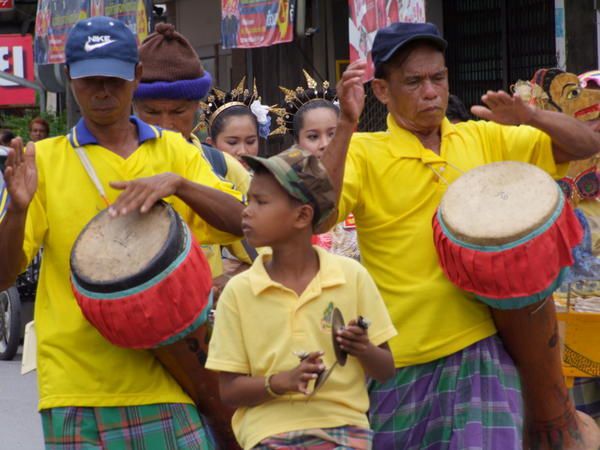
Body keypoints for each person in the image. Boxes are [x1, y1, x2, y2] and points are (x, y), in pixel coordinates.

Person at [322, 22, 600, 449]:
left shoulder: (483, 136)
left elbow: (584, 145)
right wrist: (345, 122)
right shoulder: (363, 151)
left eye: (438, 77)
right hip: (401, 360)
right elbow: (319, 216)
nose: (430, 91)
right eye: (413, 82)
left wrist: (531, 116)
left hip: (481, 350)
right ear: (381, 91)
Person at [0, 16, 245, 449]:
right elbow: (2, 278)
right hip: (77, 387)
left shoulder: (176, 151)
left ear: (136, 76)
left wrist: (180, 184)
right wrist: (17, 211)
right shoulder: (43, 160)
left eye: (113, 78)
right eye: (89, 79)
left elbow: (243, 222)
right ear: (69, 79)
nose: (102, 91)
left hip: (172, 380)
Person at [205, 147, 397, 449]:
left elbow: (385, 369)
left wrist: (363, 348)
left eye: (261, 202)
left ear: (302, 215)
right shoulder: (239, 292)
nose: (247, 210)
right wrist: (281, 382)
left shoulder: (352, 276)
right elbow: (229, 391)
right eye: (248, 199)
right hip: (267, 435)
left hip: (344, 430)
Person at [132, 22, 254, 296]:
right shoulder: (117, 161)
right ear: (133, 105)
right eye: (151, 112)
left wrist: (233, 283)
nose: (166, 125)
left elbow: (271, 250)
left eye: (178, 111)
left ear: (197, 109)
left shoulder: (222, 167)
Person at [271, 70, 359, 260]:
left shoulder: (361, 178)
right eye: (313, 136)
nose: (325, 144)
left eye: (333, 134)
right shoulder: (281, 193)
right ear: (296, 143)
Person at [199, 79, 270, 166]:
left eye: (250, 142)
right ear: (211, 144)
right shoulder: (198, 178)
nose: (243, 151)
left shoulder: (271, 178)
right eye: (232, 142)